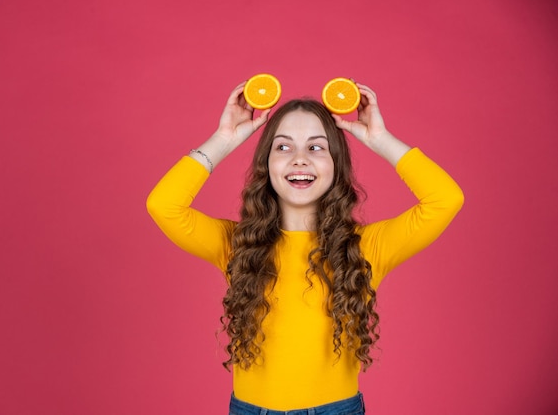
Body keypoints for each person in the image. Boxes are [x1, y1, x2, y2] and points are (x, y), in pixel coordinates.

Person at [146, 80, 464, 415]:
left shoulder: (365, 247)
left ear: (336, 165)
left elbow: (445, 199)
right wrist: (224, 139)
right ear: (265, 165)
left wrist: (379, 139)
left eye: (316, 148)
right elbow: (164, 205)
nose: (299, 159)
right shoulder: (238, 246)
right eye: (283, 148)